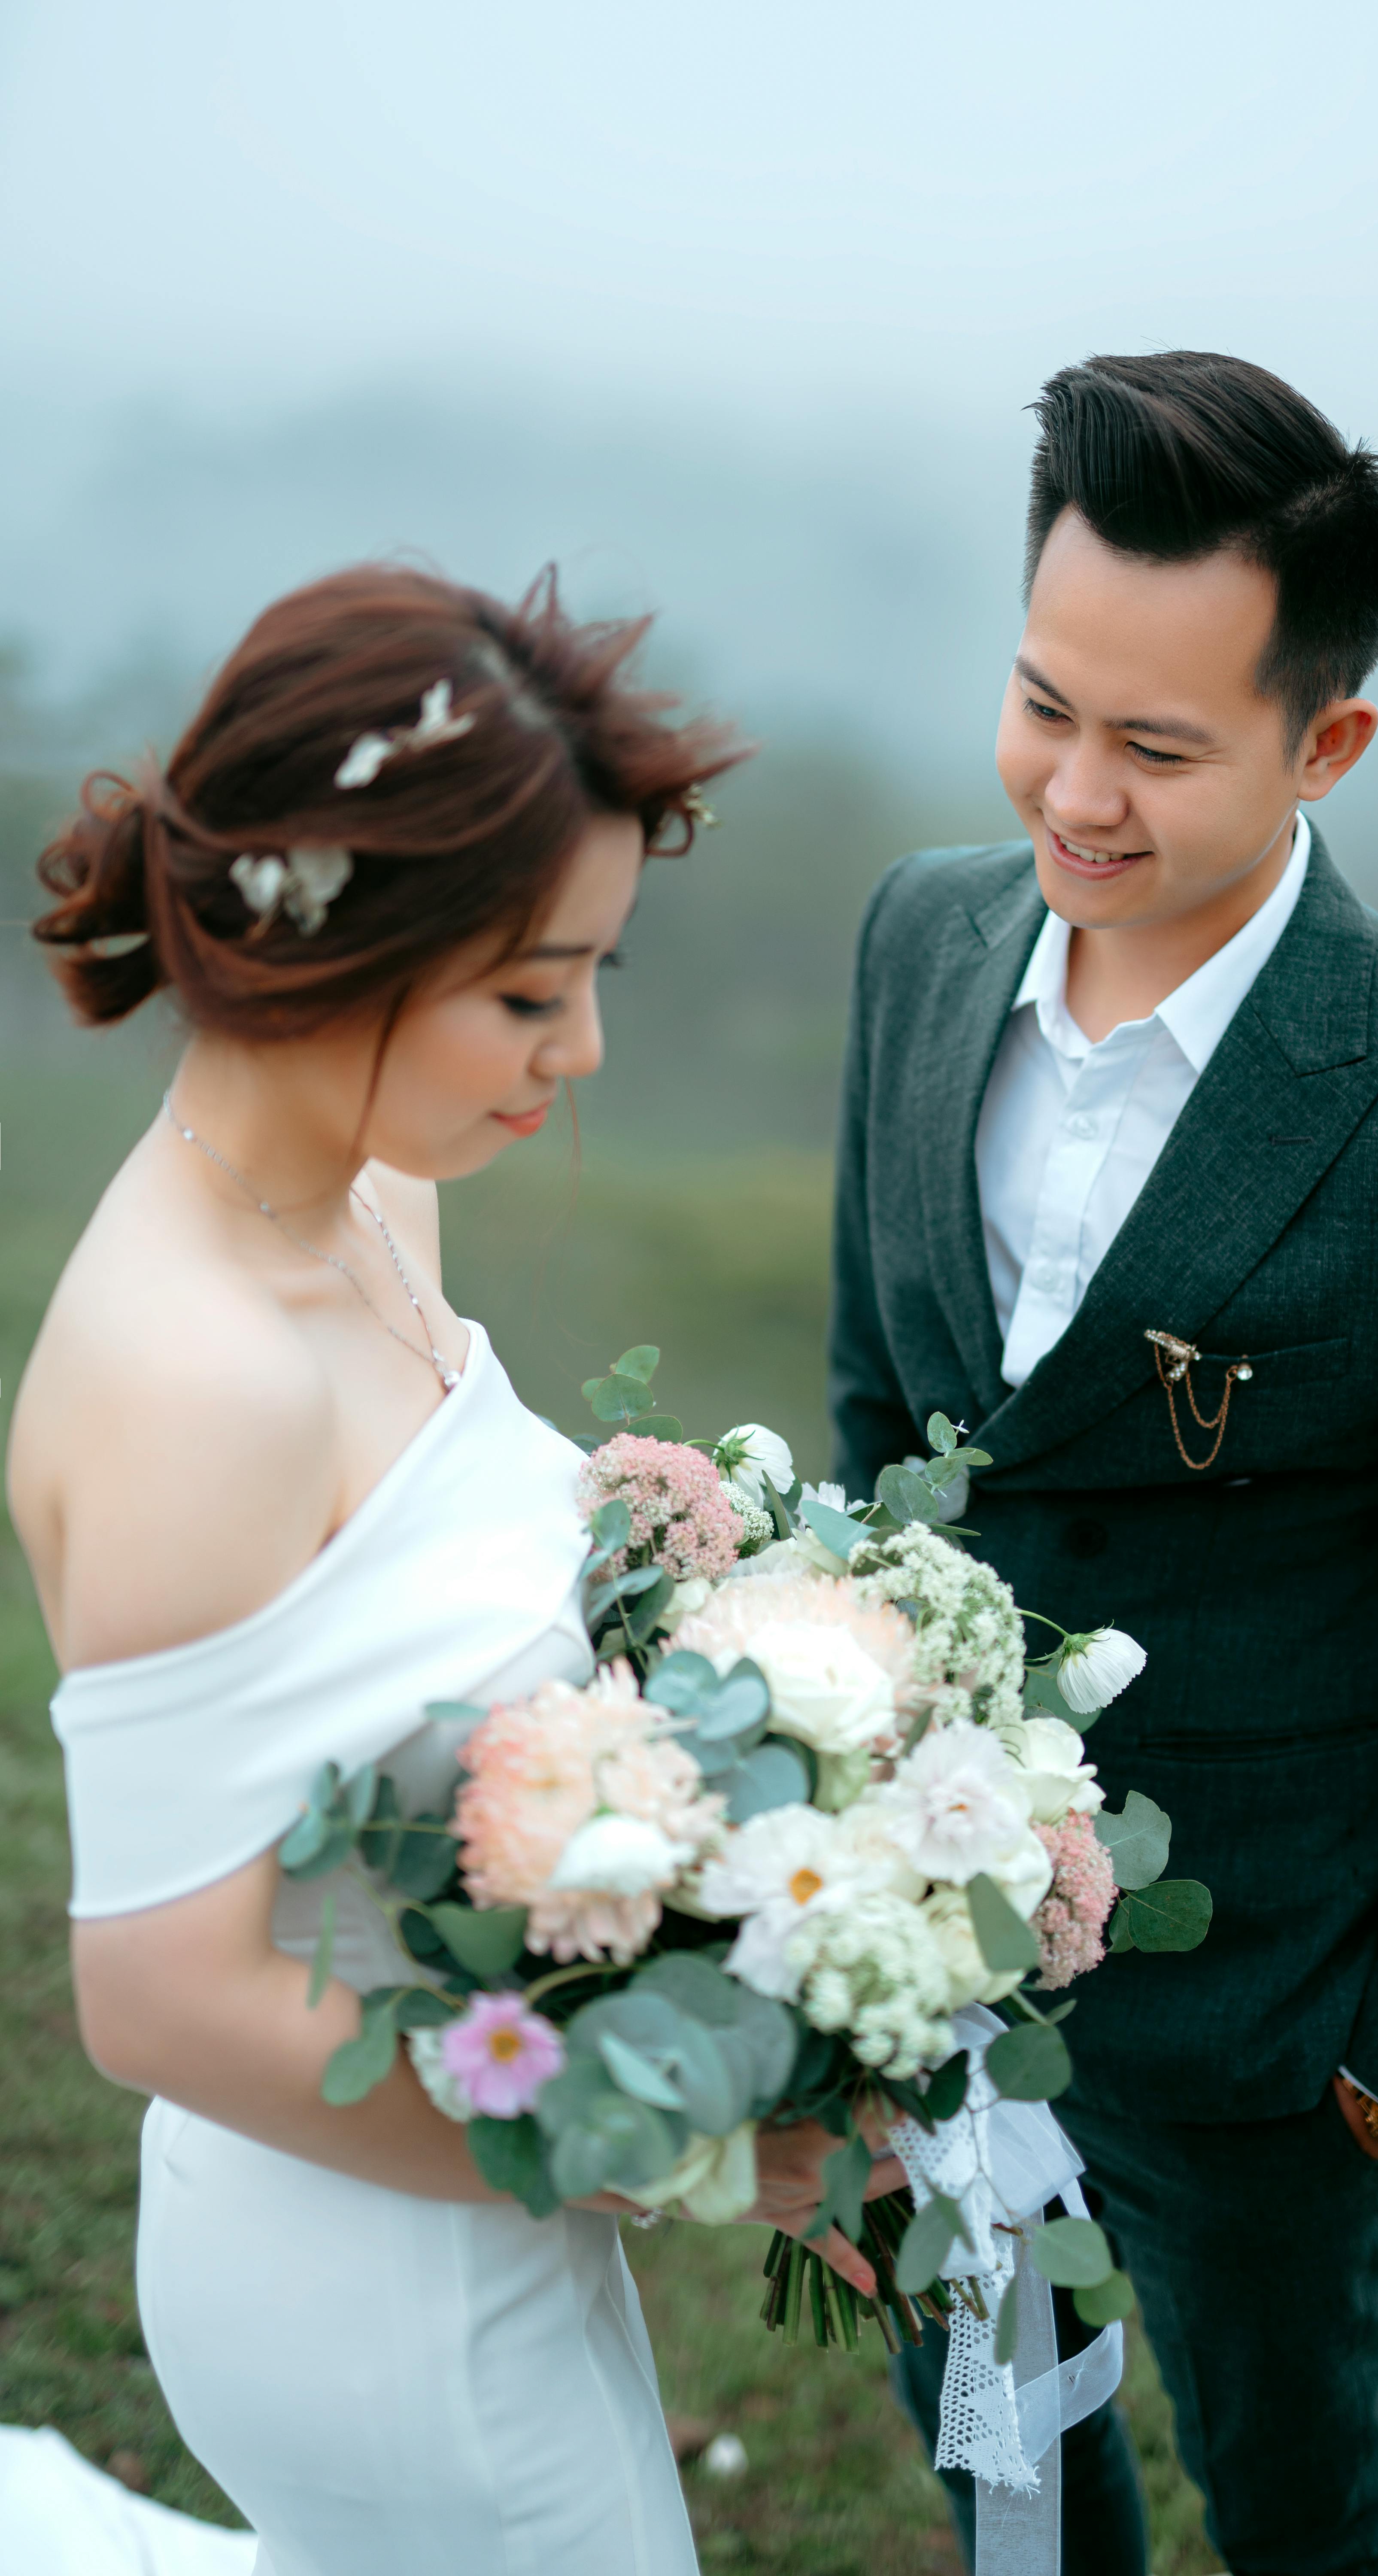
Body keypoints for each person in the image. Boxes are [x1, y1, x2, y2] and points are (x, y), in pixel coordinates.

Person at [829, 352, 1378, 2576]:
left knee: (1302, 2510)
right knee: (1004, 2468)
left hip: (1280, 2033)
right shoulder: (920, 940)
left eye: (1159, 746)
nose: (1073, 792)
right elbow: (874, 1426)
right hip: (923, 1962)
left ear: (1328, 745)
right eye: (1043, 704)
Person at [5, 564, 897, 2576]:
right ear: (334, 945)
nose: (576, 1051)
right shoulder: (194, 1377)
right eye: (526, 991)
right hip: (364, 2283)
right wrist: (666, 2141)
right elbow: (152, 1998)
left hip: (472, 2202)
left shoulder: (373, 1190)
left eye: (595, 977)